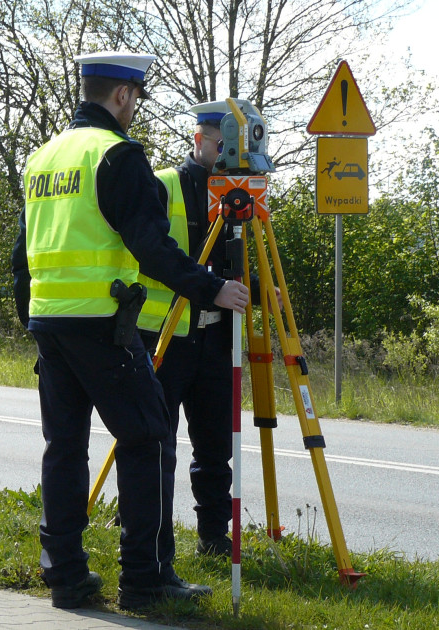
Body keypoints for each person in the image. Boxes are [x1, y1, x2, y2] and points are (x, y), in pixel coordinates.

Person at [10, 52, 249, 611]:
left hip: (51, 323)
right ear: (122, 95)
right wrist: (210, 288)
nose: (135, 108)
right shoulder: (117, 154)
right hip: (103, 324)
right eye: (136, 98)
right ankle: (145, 580)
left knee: (64, 448)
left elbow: (22, 257)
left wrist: (33, 320)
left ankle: (64, 574)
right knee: (148, 439)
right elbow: (150, 247)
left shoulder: (43, 158)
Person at [144, 99, 249, 559]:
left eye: (234, 148)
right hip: (166, 335)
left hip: (217, 338)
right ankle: (147, 532)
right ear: (198, 140)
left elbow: (237, 267)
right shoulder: (164, 185)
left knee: (215, 445)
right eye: (220, 145)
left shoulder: (240, 194)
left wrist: (257, 290)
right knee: (154, 442)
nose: (226, 155)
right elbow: (152, 256)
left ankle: (213, 536)